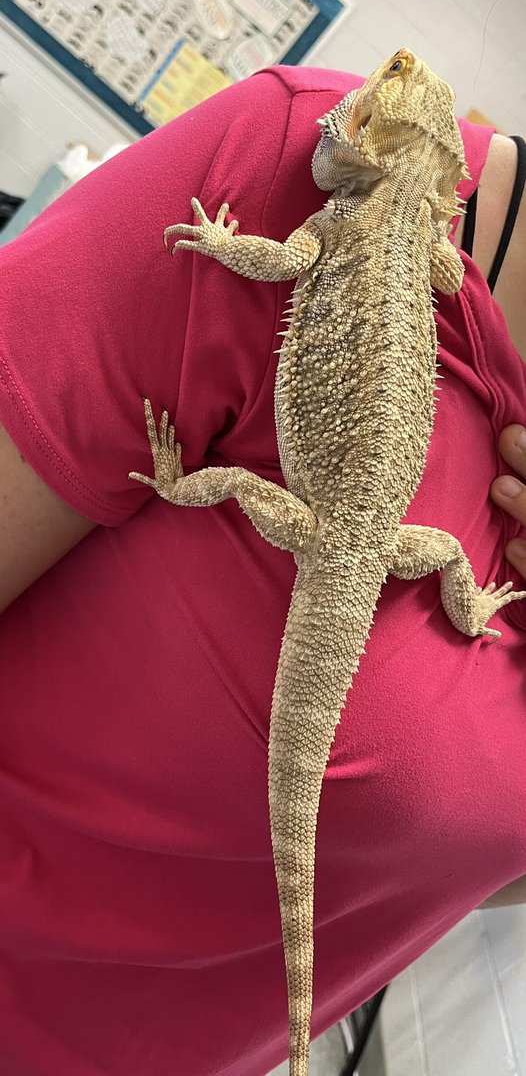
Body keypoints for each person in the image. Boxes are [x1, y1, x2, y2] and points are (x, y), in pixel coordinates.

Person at [0, 62, 524, 1076]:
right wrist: (478, 604)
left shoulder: (350, 231)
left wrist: (214, 243)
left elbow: (477, 856)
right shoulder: (350, 199)